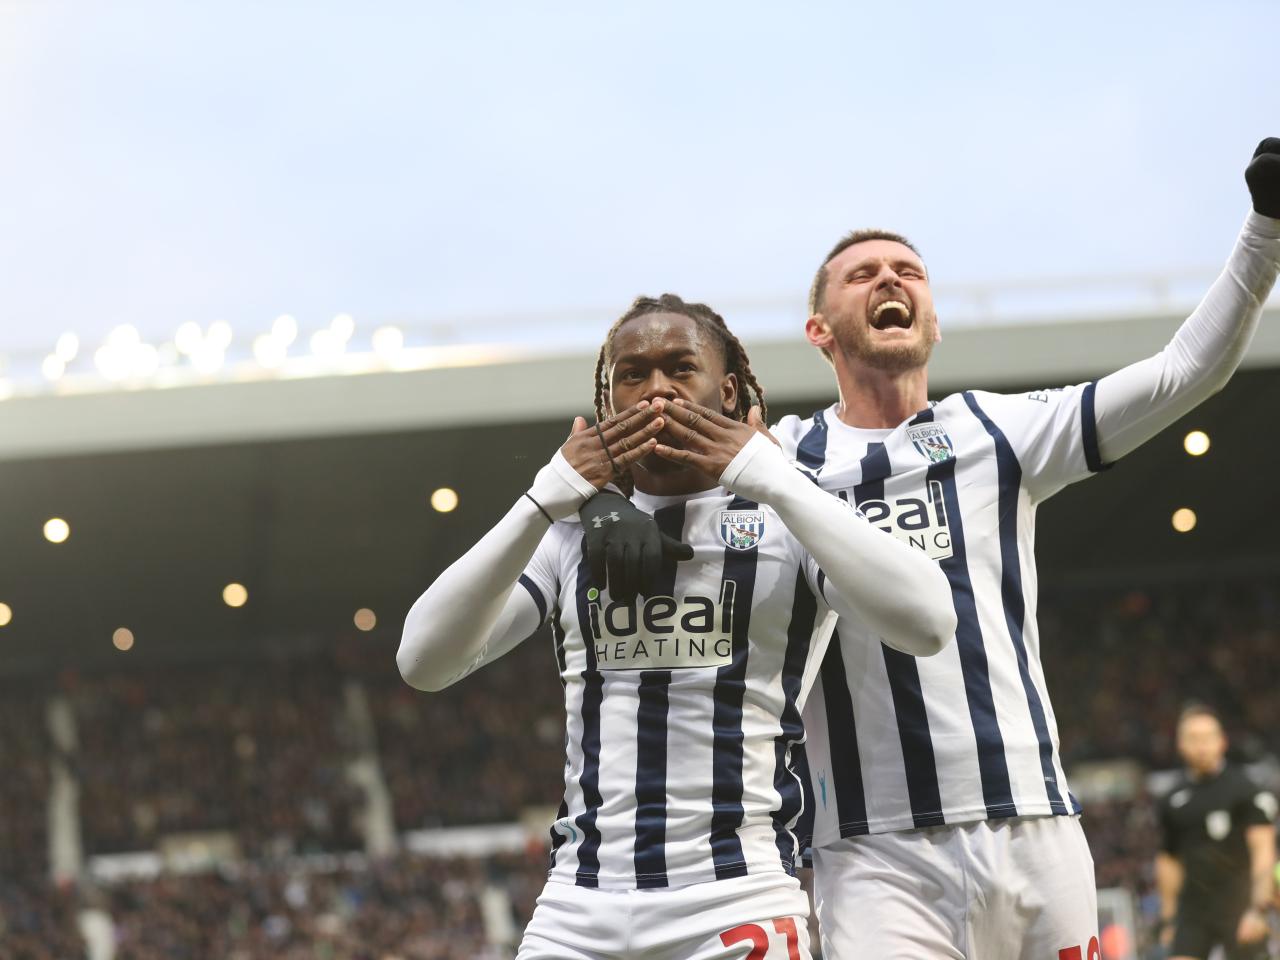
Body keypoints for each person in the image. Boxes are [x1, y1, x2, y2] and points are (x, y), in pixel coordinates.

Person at [578, 138, 1280, 958]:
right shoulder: (779, 458)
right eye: (863, 273)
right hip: (876, 856)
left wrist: (1264, 228)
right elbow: (653, 439)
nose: (890, 279)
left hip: (1038, 832)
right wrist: (603, 502)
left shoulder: (1002, 431)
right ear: (819, 329)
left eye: (909, 272)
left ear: (933, 320)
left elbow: (1181, 373)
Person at [398, 294, 956, 960]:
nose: (655, 387)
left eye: (678, 367)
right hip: (578, 906)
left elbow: (929, 622)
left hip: (736, 898)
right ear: (606, 405)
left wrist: (771, 477)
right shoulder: (566, 533)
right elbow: (422, 661)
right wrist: (547, 496)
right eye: (631, 374)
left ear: (726, 390)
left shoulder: (791, 516)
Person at [1155, 704, 1277, 960]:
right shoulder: (1172, 799)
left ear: (1222, 741)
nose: (1202, 746)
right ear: (1180, 744)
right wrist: (1168, 918)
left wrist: (1258, 909)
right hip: (1193, 910)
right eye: (1194, 739)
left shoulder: (1246, 790)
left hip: (1239, 904)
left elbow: (1263, 850)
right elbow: (1168, 859)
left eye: (1208, 738)